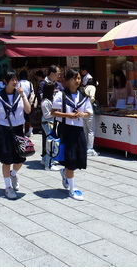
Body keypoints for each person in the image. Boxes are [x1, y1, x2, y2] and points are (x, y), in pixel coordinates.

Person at [0, 70, 31, 200]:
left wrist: (23, 95)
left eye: (16, 79)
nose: (15, 82)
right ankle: (7, 187)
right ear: (5, 82)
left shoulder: (19, 95)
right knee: (6, 160)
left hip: (18, 130)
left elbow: (28, 110)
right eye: (12, 80)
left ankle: (13, 174)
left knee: (20, 159)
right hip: (3, 130)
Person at [51, 68, 92, 201]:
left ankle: (65, 173)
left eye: (79, 78)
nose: (77, 80)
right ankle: (72, 189)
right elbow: (53, 112)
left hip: (78, 130)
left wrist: (82, 114)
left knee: (78, 158)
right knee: (70, 159)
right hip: (66, 129)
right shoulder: (61, 95)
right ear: (68, 80)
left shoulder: (83, 96)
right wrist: (67, 115)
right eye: (74, 78)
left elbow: (88, 113)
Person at [40, 81, 57, 170]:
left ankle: (45, 159)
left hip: (51, 122)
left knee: (50, 141)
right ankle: (49, 164)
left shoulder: (50, 100)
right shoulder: (45, 102)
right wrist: (56, 113)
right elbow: (46, 115)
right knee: (50, 142)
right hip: (47, 123)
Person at [83, 82, 99, 156]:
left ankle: (85, 147)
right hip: (89, 112)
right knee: (91, 130)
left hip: (83, 111)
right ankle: (90, 148)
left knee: (85, 130)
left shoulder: (84, 88)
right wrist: (93, 101)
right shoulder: (92, 87)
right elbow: (92, 98)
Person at [18, 70, 34, 137]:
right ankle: (30, 131)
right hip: (29, 102)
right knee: (29, 117)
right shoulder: (30, 83)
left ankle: (23, 130)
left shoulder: (19, 83)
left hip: (21, 102)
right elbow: (32, 93)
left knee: (22, 117)